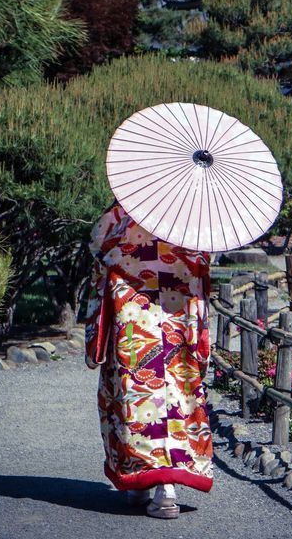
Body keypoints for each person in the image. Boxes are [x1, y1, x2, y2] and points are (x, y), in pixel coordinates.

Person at [83, 202, 215, 519]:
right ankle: (163, 488)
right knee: (177, 397)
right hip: (176, 326)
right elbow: (202, 268)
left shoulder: (118, 218)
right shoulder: (192, 219)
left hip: (133, 323)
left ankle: (144, 480)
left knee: (133, 398)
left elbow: (99, 254)